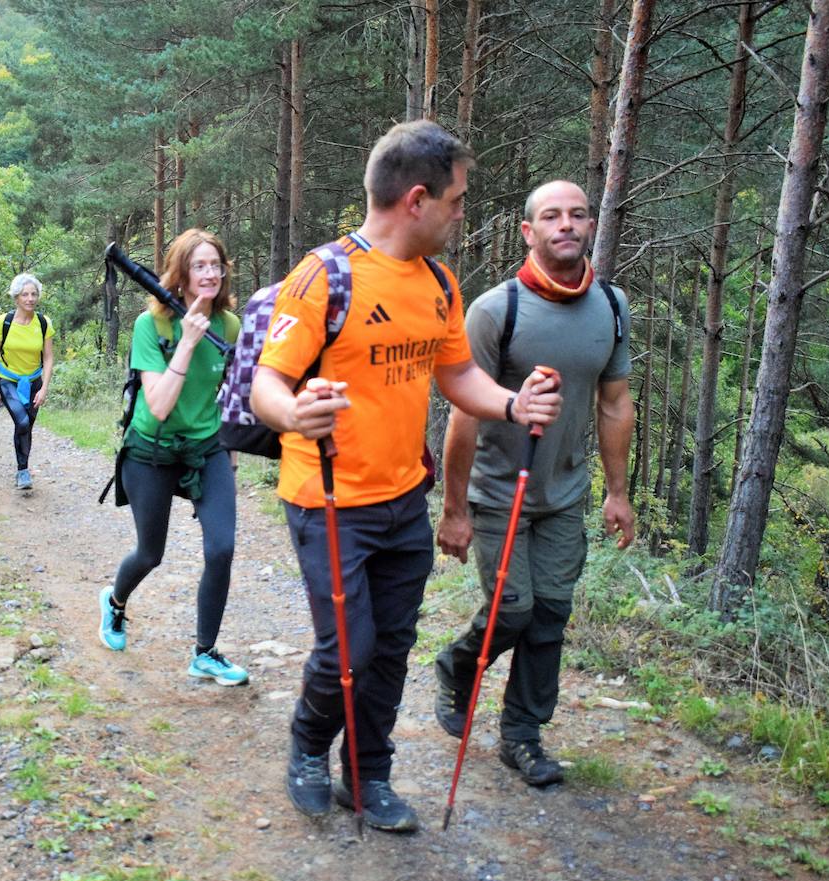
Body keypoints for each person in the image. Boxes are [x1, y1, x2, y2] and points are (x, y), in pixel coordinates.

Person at [250, 121, 561, 833]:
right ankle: (308, 744)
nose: (462, 214)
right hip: (327, 502)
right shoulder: (324, 276)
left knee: (389, 649)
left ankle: (369, 776)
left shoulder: (439, 285)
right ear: (416, 199)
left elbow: (456, 375)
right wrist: (296, 414)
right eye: (456, 200)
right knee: (349, 649)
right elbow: (269, 383)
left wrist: (513, 403)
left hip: (401, 502)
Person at [434, 180, 635, 787]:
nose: (566, 225)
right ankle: (458, 666)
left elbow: (615, 403)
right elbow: (464, 412)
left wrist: (618, 493)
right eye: (552, 216)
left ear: (590, 225)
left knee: (550, 615)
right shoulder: (498, 310)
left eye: (577, 215)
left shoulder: (612, 305)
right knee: (512, 610)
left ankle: (522, 735)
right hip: (498, 493)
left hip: (563, 495)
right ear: (529, 231)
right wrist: (453, 510)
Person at [96, 228, 249, 688]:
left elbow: (229, 396)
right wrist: (185, 341)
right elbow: (159, 404)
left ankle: (205, 652)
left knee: (221, 549)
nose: (209, 273)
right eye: (199, 266)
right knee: (150, 552)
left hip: (207, 447)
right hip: (153, 451)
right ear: (180, 275)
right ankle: (115, 602)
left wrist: (232, 456)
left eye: (215, 265)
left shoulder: (230, 326)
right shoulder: (152, 327)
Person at [0, 274, 55, 489]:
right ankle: (23, 471)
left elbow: (48, 357)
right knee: (22, 422)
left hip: (34, 381)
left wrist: (44, 388)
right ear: (16, 297)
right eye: (25, 294)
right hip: (8, 380)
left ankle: (22, 469)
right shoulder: (3, 322)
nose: (30, 298)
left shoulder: (43, 323)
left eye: (34, 294)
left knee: (27, 426)